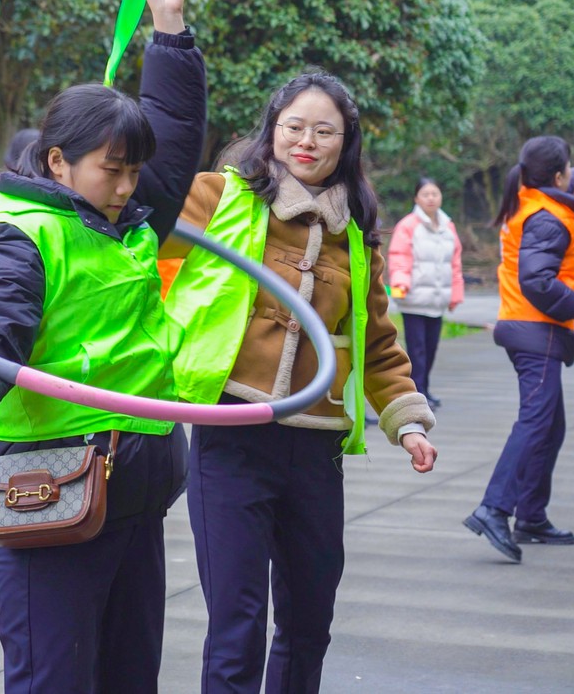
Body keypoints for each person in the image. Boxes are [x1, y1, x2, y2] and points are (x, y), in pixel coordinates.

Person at [0, 0, 204, 693]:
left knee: (127, 678)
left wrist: (169, 31)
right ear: (57, 161)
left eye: (132, 172)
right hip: (51, 494)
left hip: (135, 493)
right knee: (55, 681)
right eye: (112, 170)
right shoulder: (22, 234)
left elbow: (173, 140)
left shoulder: (130, 223)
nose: (127, 185)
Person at [161, 71, 438, 693]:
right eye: (294, 127)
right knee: (237, 625)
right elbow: (145, 256)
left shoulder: (356, 229)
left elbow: (376, 342)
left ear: (347, 142)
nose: (306, 141)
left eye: (324, 131)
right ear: (272, 128)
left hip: (316, 448)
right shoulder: (218, 195)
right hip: (231, 436)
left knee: (310, 622)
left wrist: (409, 422)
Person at [463, 136, 574, 562]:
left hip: (529, 328)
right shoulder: (547, 218)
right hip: (535, 332)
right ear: (557, 176)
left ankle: (531, 515)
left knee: (549, 425)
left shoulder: (531, 203)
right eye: (569, 168)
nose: (573, 173)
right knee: (536, 422)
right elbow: (537, 280)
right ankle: (494, 508)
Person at [388, 176, 465, 408]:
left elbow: (455, 263)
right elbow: (399, 256)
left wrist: (455, 295)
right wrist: (400, 284)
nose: (431, 198)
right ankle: (417, 393)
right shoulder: (408, 225)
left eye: (435, 193)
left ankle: (425, 389)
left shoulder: (448, 225)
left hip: (437, 300)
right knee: (417, 350)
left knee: (430, 349)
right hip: (414, 299)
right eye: (425, 194)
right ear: (416, 198)